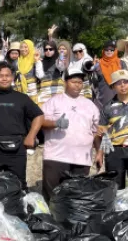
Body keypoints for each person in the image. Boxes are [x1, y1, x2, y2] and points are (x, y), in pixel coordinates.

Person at [0, 61, 44, 189]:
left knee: (18, 186)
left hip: (17, 149)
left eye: (7, 75)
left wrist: (31, 136)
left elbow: (39, 116)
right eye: (0, 76)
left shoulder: (22, 98)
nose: (4, 79)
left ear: (12, 77)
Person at [40, 68, 101, 200]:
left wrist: (99, 152)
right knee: (52, 196)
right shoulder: (53, 101)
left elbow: (96, 131)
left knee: (76, 198)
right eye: (74, 82)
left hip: (81, 159)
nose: (77, 85)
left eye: (80, 82)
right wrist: (55, 123)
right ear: (65, 82)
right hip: (56, 157)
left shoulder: (90, 105)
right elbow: (40, 121)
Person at [37, 35, 65, 106]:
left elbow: (61, 68)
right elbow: (39, 76)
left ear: (54, 50)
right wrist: (37, 62)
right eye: (46, 49)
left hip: (57, 89)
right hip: (44, 91)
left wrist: (61, 58)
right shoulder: (40, 61)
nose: (48, 51)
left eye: (50, 49)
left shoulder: (58, 60)